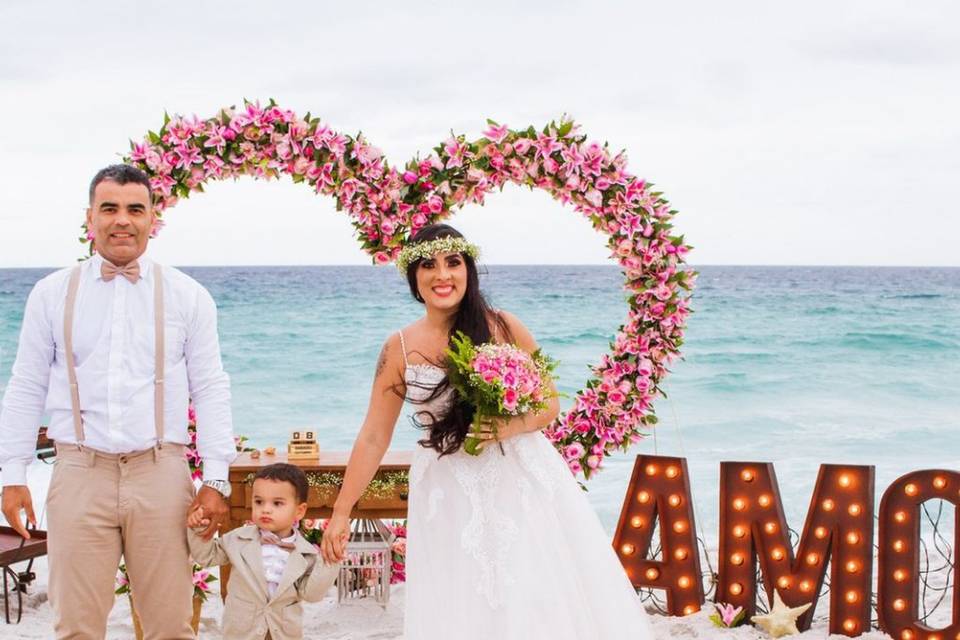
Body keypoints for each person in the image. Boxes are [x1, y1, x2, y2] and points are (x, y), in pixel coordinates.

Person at [320, 223, 655, 639]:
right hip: (446, 487)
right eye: (428, 265)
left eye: (453, 263)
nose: (442, 275)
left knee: (530, 588)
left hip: (516, 476)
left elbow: (549, 405)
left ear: (468, 270)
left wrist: (507, 425)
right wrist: (341, 512)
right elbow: (374, 435)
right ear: (414, 278)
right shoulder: (398, 349)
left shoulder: (503, 327)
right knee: (458, 593)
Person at [0, 164, 237, 639]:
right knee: (76, 627)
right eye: (109, 208)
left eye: (135, 209)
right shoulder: (50, 294)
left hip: (161, 473)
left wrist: (216, 479)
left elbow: (210, 386)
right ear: (90, 217)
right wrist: (12, 474)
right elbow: (25, 385)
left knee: (170, 625)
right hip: (78, 472)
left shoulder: (189, 296)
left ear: (153, 219)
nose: (122, 220)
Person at [187, 463, 340, 640]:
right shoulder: (237, 539)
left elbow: (312, 594)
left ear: (299, 511)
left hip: (282, 632)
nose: (266, 509)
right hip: (242, 631)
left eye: (277, 503)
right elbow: (207, 556)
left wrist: (331, 560)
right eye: (259, 501)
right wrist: (199, 528)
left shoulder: (306, 553)